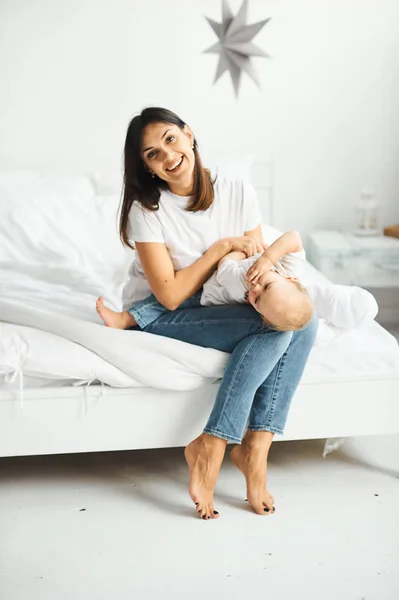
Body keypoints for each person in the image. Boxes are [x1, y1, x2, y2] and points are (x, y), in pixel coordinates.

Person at [96, 107, 318, 520]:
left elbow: (253, 268)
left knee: (300, 318)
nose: (167, 155)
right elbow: (172, 295)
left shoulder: (236, 190)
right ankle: (216, 442)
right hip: (162, 314)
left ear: (189, 134)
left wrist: (238, 259)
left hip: (217, 303)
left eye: (169, 139)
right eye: (151, 154)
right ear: (147, 169)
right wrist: (218, 249)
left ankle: (255, 447)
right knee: (277, 321)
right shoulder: (147, 211)